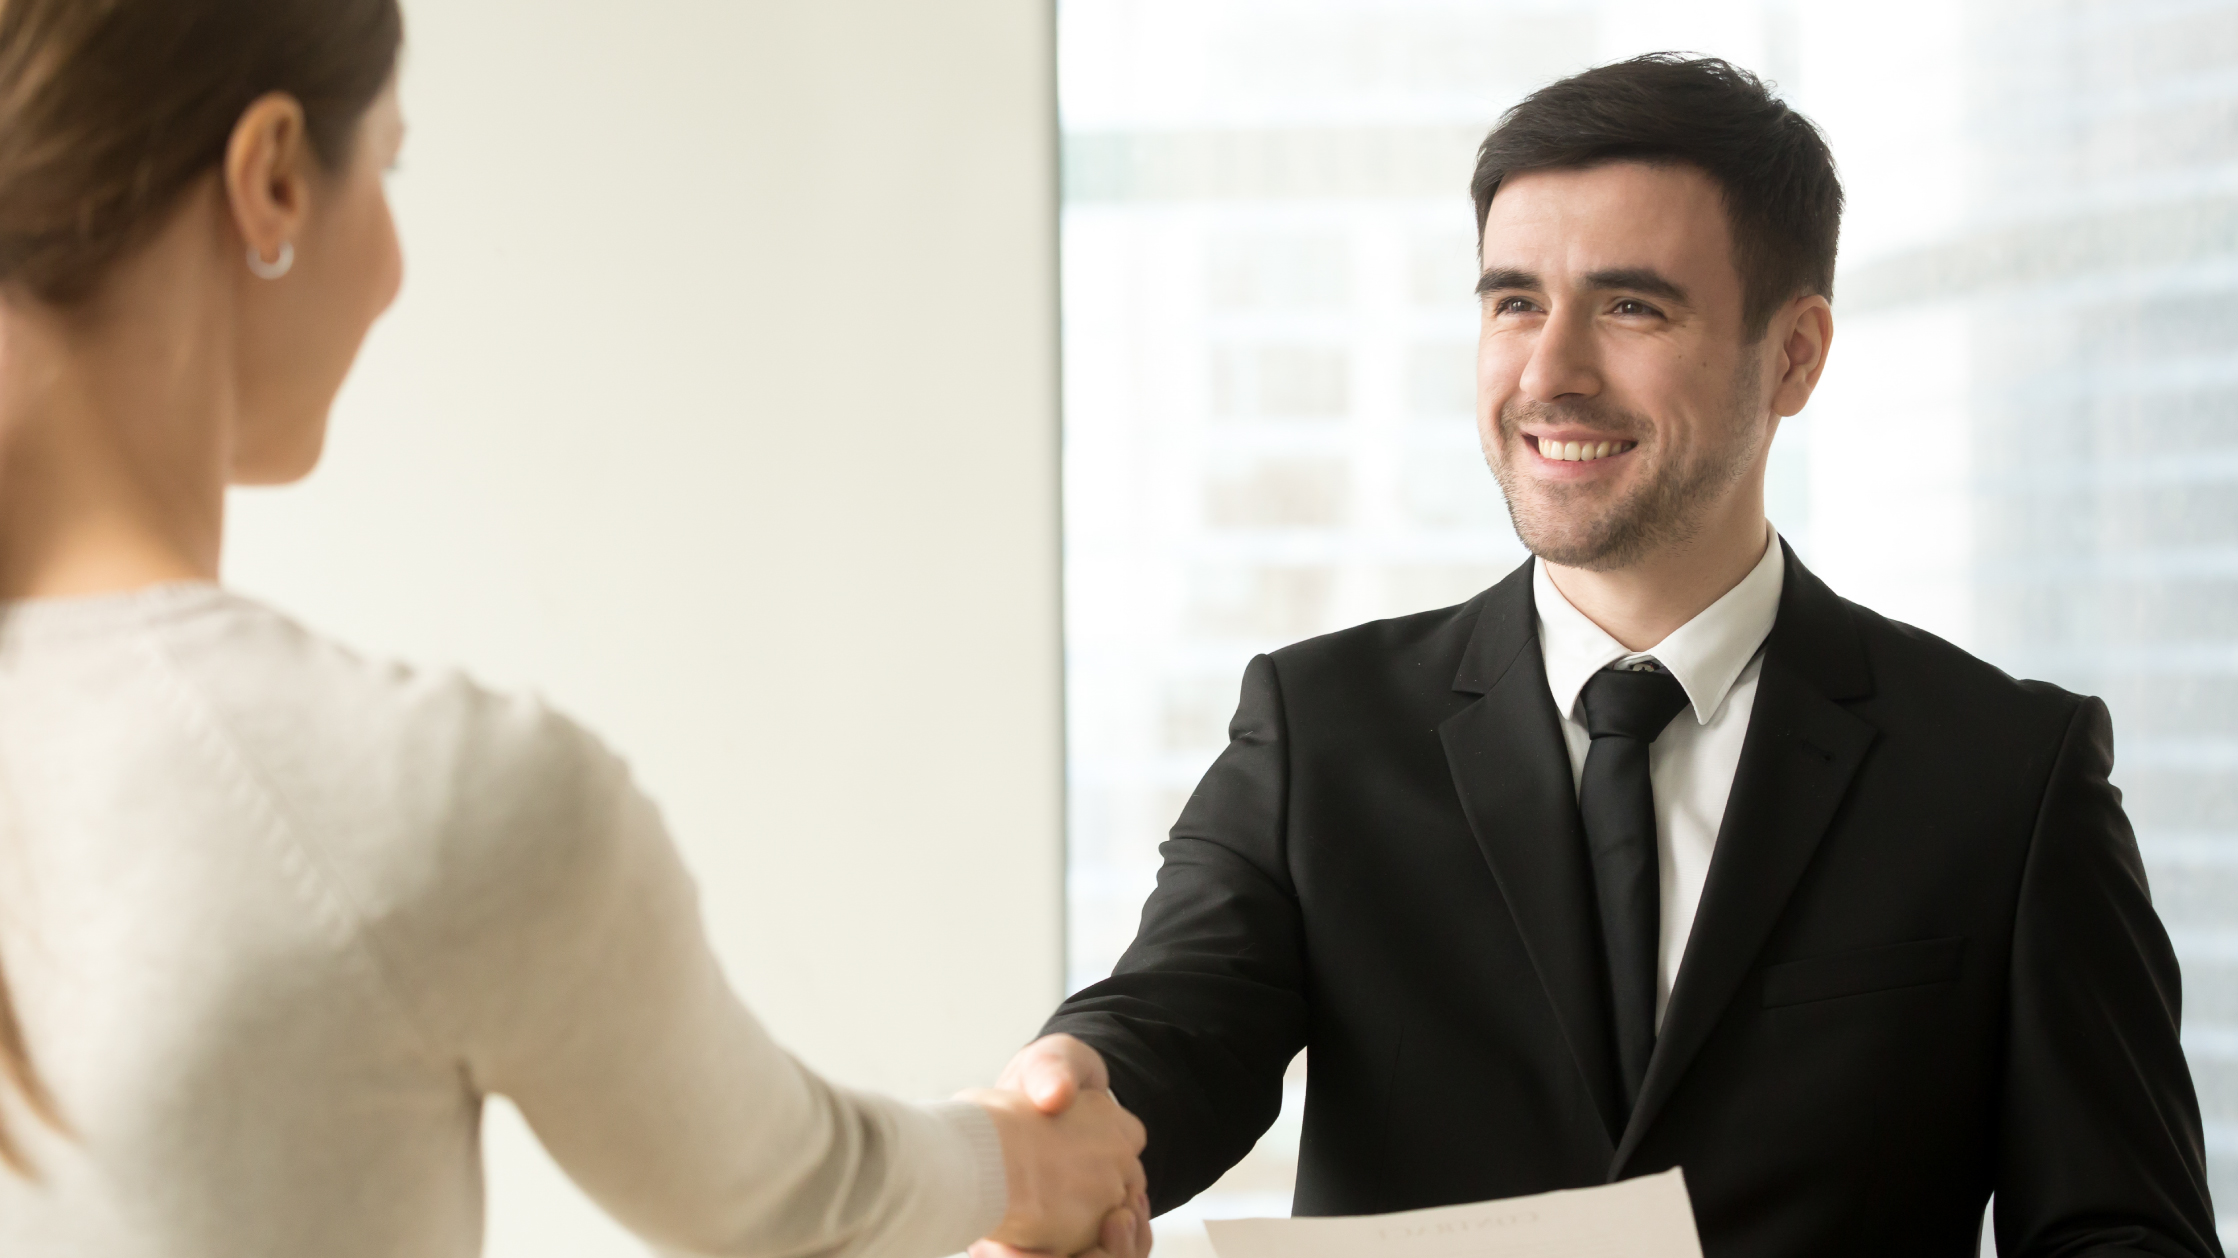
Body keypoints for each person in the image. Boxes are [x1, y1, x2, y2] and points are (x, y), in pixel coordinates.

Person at [981, 54, 2221, 1258]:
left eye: (1631, 305)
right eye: (1515, 300)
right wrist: (1069, 1098)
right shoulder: (1322, 726)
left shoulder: (2005, 773)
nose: (1550, 371)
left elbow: (2122, 1227)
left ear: (1794, 354)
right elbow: (1177, 1021)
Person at [0, 3, 1150, 1257]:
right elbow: (789, 1193)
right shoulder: (410, 793)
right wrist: (1027, 1163)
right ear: (272, 178)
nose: (391, 265)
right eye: (385, 167)